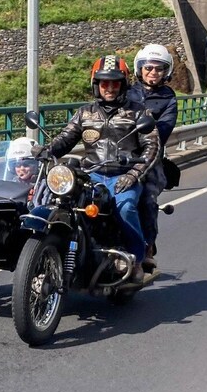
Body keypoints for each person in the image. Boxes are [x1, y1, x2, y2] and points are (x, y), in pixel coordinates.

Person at [33, 56, 160, 283]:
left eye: (114, 83)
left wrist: (133, 174)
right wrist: (47, 150)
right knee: (64, 203)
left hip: (124, 174)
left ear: (123, 84)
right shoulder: (85, 113)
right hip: (92, 174)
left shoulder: (139, 113)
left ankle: (137, 257)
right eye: (104, 83)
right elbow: (66, 137)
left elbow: (152, 147)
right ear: (96, 85)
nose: (109, 88)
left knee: (125, 206)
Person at [127, 43, 178, 271]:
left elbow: (163, 131)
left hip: (151, 158)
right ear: (140, 68)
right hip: (121, 154)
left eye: (159, 68)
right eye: (148, 67)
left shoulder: (168, 98)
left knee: (147, 198)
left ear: (166, 71)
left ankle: (147, 246)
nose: (153, 72)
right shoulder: (127, 93)